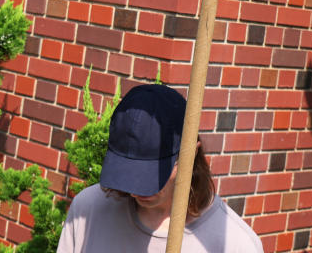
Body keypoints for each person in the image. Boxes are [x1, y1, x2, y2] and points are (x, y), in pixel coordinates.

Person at [57, 84, 263, 253]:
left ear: (190, 154)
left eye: (151, 172)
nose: (135, 188)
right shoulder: (88, 212)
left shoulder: (234, 244)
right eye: (128, 171)